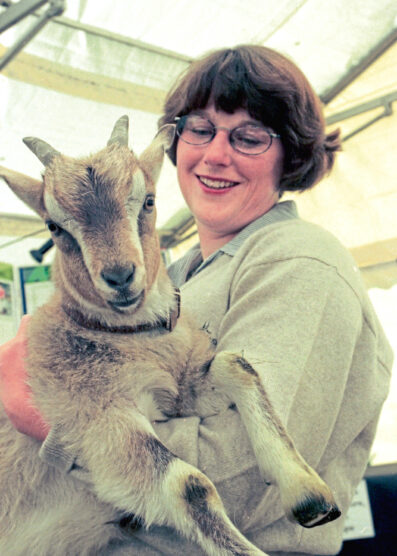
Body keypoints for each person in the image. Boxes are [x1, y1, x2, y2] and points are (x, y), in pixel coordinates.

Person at [0, 45, 393, 556]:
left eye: (249, 137)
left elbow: (241, 481)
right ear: (174, 143)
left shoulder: (297, 260)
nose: (215, 155)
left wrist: (47, 419)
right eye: (200, 130)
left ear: (290, 155)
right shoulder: (178, 279)